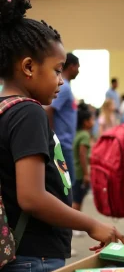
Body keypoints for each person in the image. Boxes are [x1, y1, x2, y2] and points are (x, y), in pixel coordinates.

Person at [0, 0, 124, 272]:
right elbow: (31, 197)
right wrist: (92, 223)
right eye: (57, 70)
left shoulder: (4, 107)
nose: (61, 81)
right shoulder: (28, 112)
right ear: (29, 67)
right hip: (31, 257)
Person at [46, 52, 80, 184]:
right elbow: (49, 109)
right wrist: (52, 136)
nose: (78, 71)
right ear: (71, 67)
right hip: (62, 143)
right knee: (66, 184)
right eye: (78, 67)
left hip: (65, 143)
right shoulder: (64, 87)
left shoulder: (66, 86)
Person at [72, 103, 94, 214]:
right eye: (91, 119)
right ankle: (71, 226)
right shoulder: (85, 135)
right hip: (80, 173)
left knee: (76, 198)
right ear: (85, 122)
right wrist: (86, 174)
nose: (93, 122)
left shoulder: (76, 133)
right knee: (77, 200)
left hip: (74, 171)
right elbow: (82, 154)